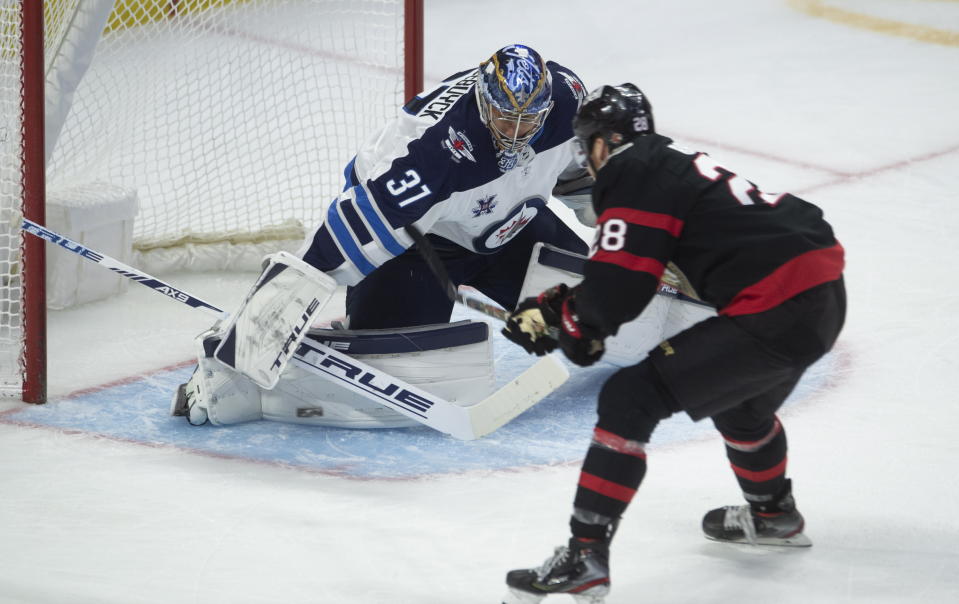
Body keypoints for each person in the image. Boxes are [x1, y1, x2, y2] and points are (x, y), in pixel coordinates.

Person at [499, 83, 846, 603]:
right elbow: (627, 276)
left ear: (600, 144)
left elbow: (621, 288)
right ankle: (773, 515)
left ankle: (586, 557)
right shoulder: (664, 163)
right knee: (742, 408)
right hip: (821, 297)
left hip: (778, 304)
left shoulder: (629, 172)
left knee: (629, 399)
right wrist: (568, 317)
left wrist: (574, 325)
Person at [171, 44, 595, 428]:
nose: (517, 132)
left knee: (602, 305)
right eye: (505, 118)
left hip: (512, 227)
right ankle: (250, 374)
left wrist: (630, 234)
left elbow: (587, 172)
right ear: (483, 102)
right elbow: (337, 245)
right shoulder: (431, 157)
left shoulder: (567, 100)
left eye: (529, 120)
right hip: (417, 246)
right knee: (394, 382)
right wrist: (245, 339)